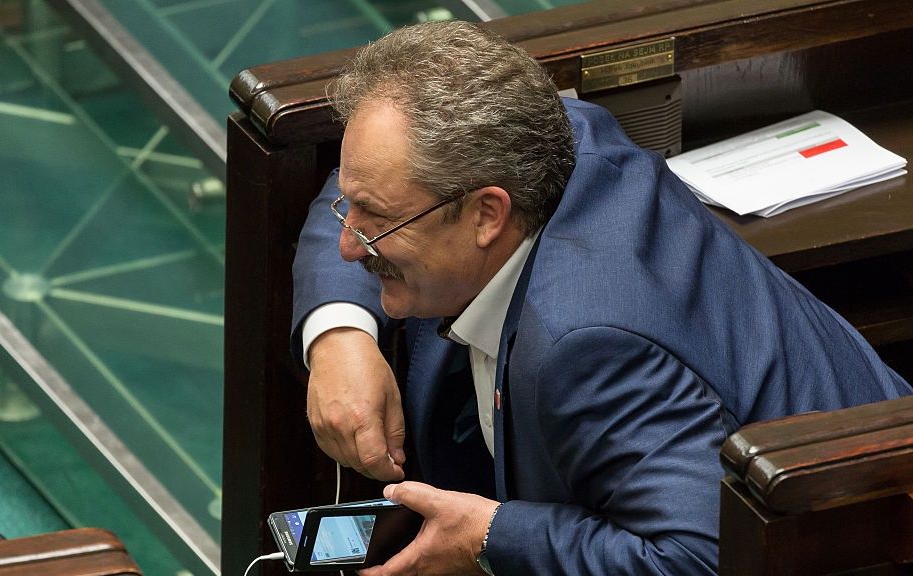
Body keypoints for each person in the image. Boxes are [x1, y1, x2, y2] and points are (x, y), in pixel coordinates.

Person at [290, 21, 911, 576]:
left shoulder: (586, 345)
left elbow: (696, 558)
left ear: (486, 214)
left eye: (373, 221)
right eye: (356, 207)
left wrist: (489, 538)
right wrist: (341, 337)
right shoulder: (556, 137)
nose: (350, 246)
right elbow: (355, 184)